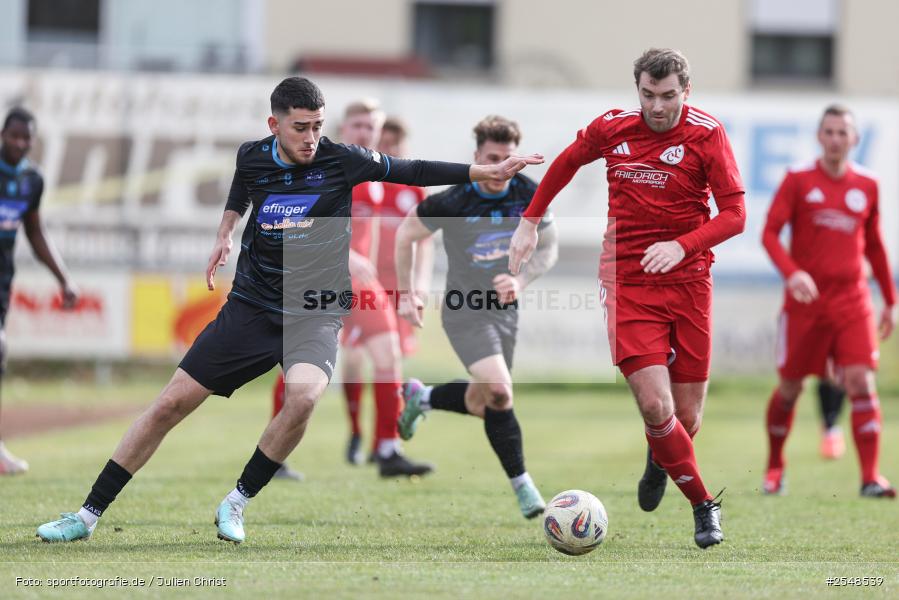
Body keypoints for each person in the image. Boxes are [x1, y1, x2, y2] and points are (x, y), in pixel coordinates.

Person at [36, 77, 542, 544]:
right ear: (274, 125)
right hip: (252, 306)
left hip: (315, 310)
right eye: (301, 127)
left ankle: (236, 502)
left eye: (318, 126)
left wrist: (484, 171)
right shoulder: (252, 156)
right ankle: (86, 515)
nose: (312, 137)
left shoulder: (343, 160)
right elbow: (242, 188)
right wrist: (225, 231)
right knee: (171, 404)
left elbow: (413, 170)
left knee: (303, 397)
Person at [508, 48, 746, 548]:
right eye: (647, 94)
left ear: (686, 91)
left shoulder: (707, 134)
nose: (656, 106)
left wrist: (681, 245)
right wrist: (529, 221)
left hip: (689, 282)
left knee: (686, 418)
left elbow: (735, 215)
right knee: (656, 404)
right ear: (637, 88)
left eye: (668, 96)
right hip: (627, 281)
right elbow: (567, 162)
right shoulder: (612, 127)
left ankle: (659, 457)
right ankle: (704, 505)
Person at [395, 115, 558, 519]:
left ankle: (422, 397)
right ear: (477, 157)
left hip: (506, 312)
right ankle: (524, 487)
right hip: (464, 310)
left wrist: (520, 282)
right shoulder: (454, 199)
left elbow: (548, 248)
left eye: (508, 158)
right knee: (500, 392)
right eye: (492, 159)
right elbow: (406, 235)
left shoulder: (528, 192)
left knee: (484, 402)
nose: (502, 168)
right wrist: (407, 292)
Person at [270, 100, 433, 478]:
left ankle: (387, 449)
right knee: (301, 368)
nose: (364, 132)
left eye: (371, 126)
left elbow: (368, 232)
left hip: (358, 284)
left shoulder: (371, 170)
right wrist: (344, 254)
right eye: (357, 125)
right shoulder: (323, 166)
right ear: (343, 128)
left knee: (388, 352)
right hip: (321, 278)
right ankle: (273, 455)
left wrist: (376, 273)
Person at [761, 104, 896, 498]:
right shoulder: (798, 179)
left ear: (855, 139)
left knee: (861, 382)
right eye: (830, 132)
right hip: (806, 303)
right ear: (819, 137)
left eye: (843, 132)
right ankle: (775, 467)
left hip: (853, 300)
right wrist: (793, 272)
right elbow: (769, 234)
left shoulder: (867, 185)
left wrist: (890, 300)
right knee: (790, 387)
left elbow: (875, 245)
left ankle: (870, 477)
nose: (836, 139)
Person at [0, 107, 77, 475]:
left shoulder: (32, 180)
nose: (19, 143)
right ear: (2, 135)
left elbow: (34, 231)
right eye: (13, 136)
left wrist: (64, 279)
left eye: (26, 138)